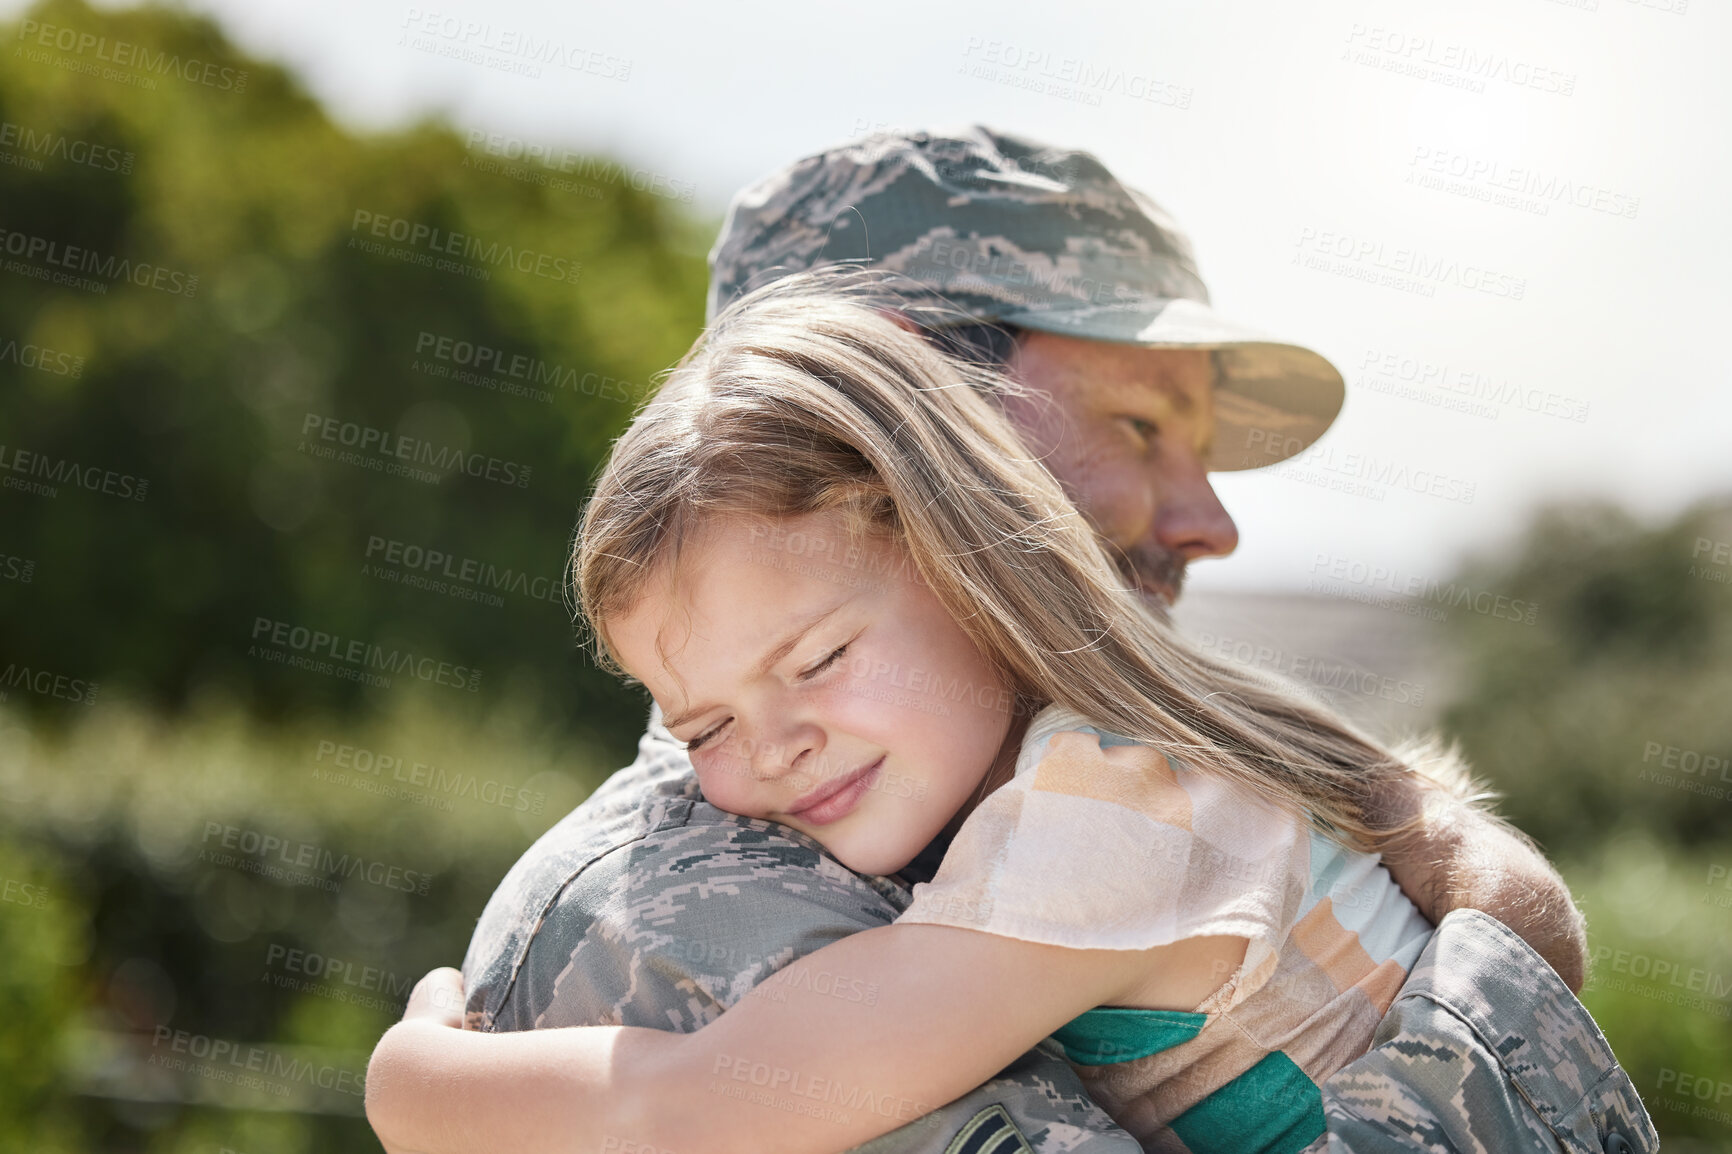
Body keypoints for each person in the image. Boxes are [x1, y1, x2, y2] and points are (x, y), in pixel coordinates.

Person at [376, 127, 1654, 1153]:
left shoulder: (1088, 795)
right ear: (917, 423)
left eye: (816, 661)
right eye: (1142, 423)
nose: (1210, 523)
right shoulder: (669, 920)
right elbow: (698, 1101)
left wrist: (412, 1077)